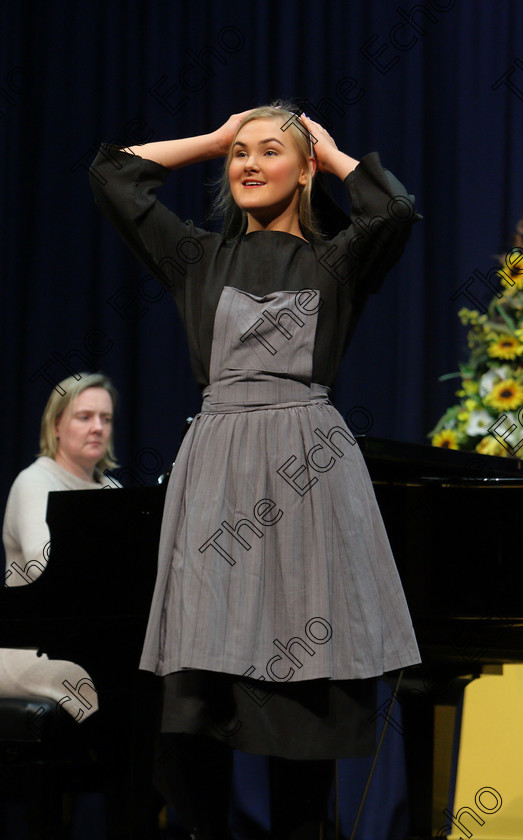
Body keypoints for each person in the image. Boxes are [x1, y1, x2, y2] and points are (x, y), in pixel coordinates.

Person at [90, 102, 422, 839]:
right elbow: (113, 176)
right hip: (218, 471)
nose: (246, 163)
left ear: (303, 170)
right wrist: (210, 138)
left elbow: (395, 210)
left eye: (269, 151)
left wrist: (332, 153)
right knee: (192, 708)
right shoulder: (198, 257)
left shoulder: (337, 259)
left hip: (308, 474)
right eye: (237, 154)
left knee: (302, 705)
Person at [1, 372, 118, 722]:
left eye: (105, 418)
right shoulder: (35, 481)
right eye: (84, 417)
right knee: (99, 681)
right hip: (29, 650)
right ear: (55, 426)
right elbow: (43, 566)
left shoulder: (113, 489)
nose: (97, 427)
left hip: (92, 641)